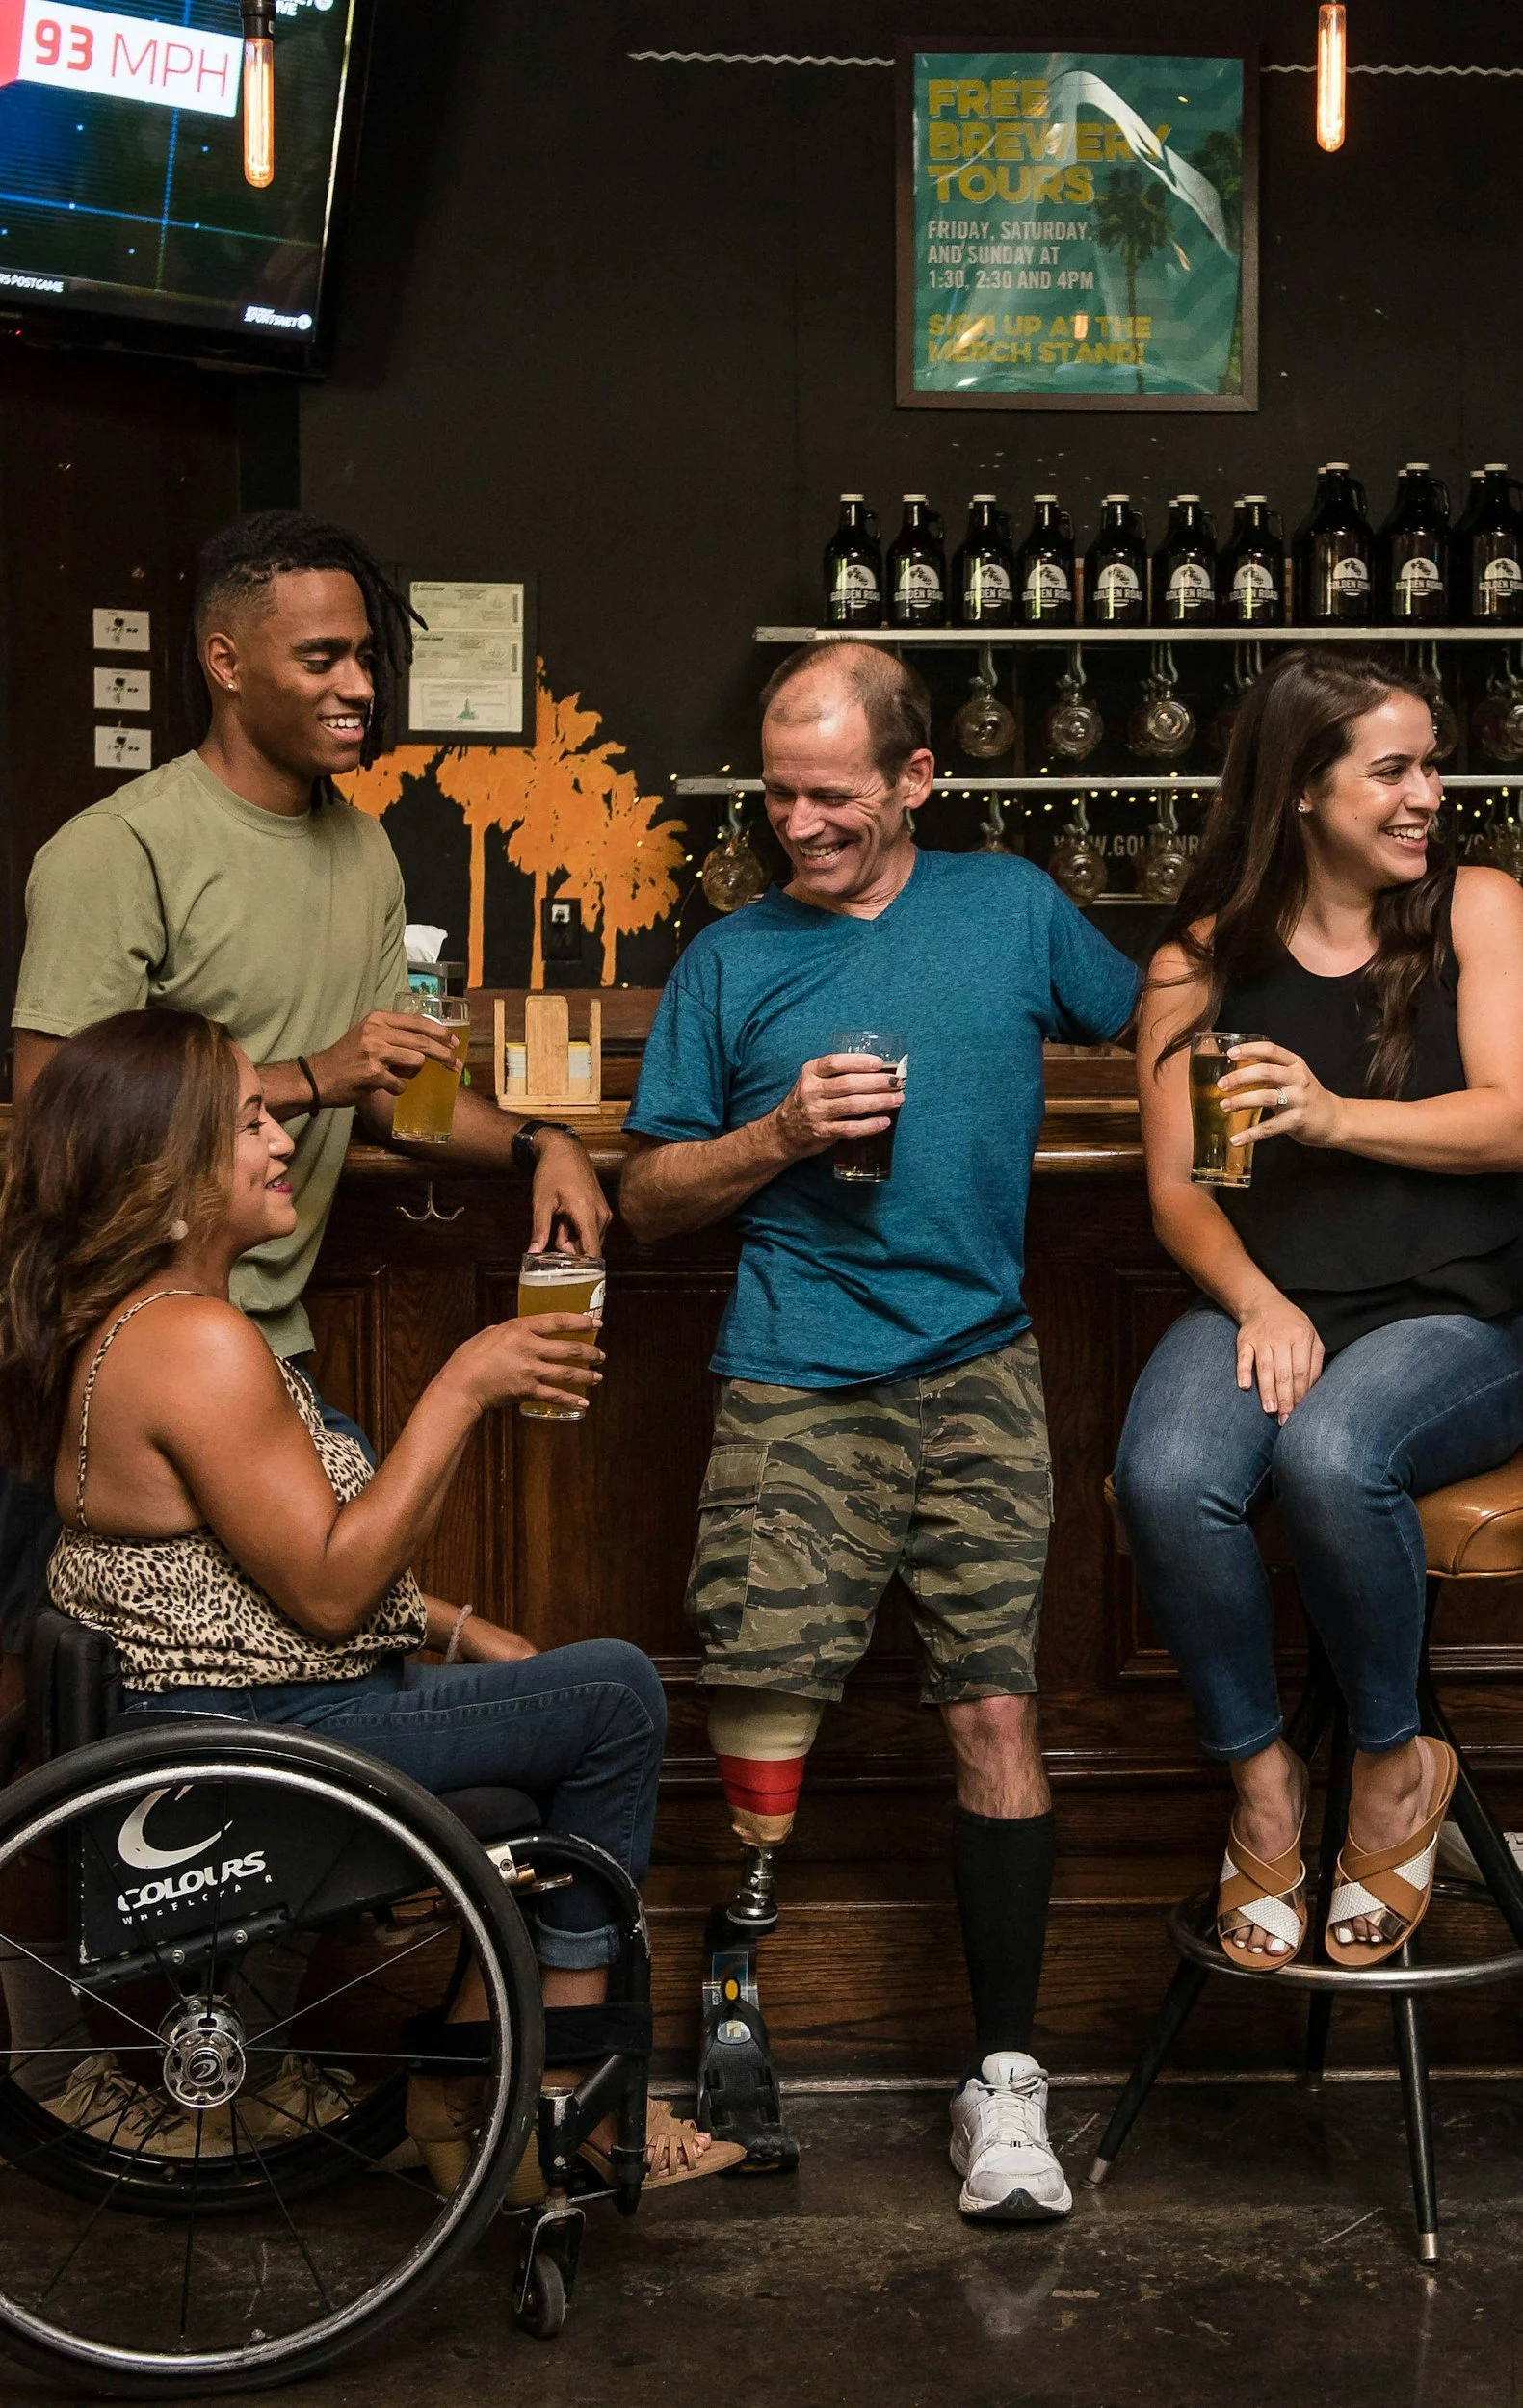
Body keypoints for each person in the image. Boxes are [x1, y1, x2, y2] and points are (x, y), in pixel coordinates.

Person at [0, 1008, 737, 2189]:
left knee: (547, 1715)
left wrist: (456, 1629)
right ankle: (558, 2102)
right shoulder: (192, 1343)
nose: (282, 1138)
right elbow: (334, 1591)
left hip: (227, 1710)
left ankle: (461, 2088)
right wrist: (466, 1377)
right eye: (246, 1121)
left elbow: (246, 1569)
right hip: (251, 1740)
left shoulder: (138, 1324)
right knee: (617, 1693)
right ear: (169, 1176)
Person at [619, 640, 1140, 2221]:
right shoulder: (728, 960)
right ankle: (733, 2013)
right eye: (777, 792)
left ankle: (1004, 2088)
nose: (799, 823)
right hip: (793, 1377)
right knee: (765, 1706)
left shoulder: (1012, 909)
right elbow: (646, 1200)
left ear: (918, 778)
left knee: (995, 1715)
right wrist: (777, 1134)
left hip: (982, 1371)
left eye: (832, 794)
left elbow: (1169, 1035)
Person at [10, 505, 607, 1446]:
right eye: (323, 658)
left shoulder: (364, 848)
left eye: (366, 657)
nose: (361, 685)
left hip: (272, 1345)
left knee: (355, 1578)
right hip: (128, 1349)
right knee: (348, 1582)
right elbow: (54, 1121)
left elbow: (401, 1100)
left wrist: (543, 1145)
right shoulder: (116, 850)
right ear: (227, 663)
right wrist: (313, 1075)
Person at [1114, 648, 1523, 1975]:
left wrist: (1336, 1113)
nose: (1427, 797)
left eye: (1430, 767)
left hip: (1460, 1310)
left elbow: (1513, 1120)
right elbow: (1179, 1194)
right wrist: (1257, 1300)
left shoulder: (1480, 911)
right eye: (1392, 770)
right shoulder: (1194, 960)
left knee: (1335, 1455)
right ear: (1301, 789)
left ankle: (1396, 1764)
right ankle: (1263, 1780)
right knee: (1166, 1477)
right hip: (1276, 1300)